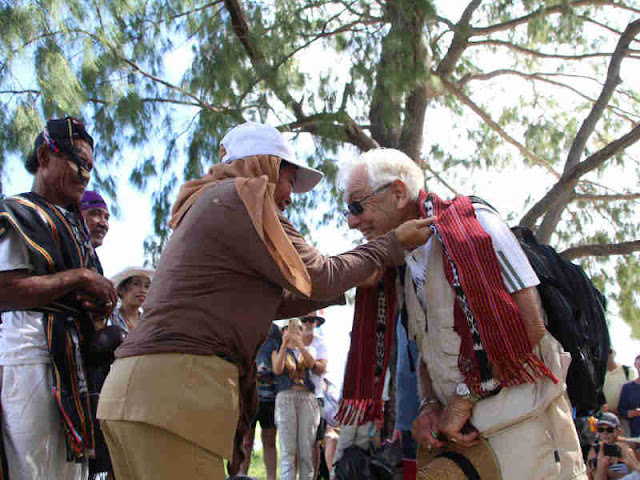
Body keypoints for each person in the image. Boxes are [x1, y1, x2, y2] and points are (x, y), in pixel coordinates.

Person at [97, 122, 434, 480]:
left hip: (132, 396)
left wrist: (345, 284)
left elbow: (271, 302)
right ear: (265, 167)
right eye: (288, 180)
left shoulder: (212, 204)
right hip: (173, 398)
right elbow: (319, 273)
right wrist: (389, 245)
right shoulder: (243, 197)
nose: (289, 197)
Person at [338, 147, 587, 480]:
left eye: (357, 206)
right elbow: (427, 354)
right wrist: (429, 405)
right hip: (467, 442)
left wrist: (463, 399)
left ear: (398, 194)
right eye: (348, 211)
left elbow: (531, 326)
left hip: (527, 432)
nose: (353, 221)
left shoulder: (476, 224)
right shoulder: (405, 267)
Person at [0, 117, 117, 479]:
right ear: (44, 156)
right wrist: (79, 278)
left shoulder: (74, 225)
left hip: (75, 359)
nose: (84, 173)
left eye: (90, 167)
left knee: (72, 468)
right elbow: (5, 289)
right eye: (76, 161)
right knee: (31, 466)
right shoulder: (16, 212)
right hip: (31, 352)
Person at [273, 318, 320, 480]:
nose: (293, 332)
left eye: (297, 329)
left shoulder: (310, 350)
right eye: (288, 328)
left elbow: (311, 363)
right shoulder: (277, 351)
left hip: (306, 398)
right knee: (287, 450)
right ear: (283, 332)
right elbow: (277, 370)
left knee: (306, 450)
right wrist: (285, 345)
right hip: (285, 397)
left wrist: (300, 345)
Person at [239, 324, 282, 480]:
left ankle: (271, 477)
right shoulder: (246, 325)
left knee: (270, 441)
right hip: (248, 394)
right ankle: (241, 475)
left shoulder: (276, 331)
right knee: (246, 440)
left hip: (270, 395)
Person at [299, 312, 329, 477]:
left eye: (312, 320)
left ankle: (314, 475)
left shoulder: (321, 344)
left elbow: (321, 369)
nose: (309, 323)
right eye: (305, 319)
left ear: (317, 323)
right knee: (297, 441)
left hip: (315, 397)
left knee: (315, 442)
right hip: (294, 397)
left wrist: (303, 355)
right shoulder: (291, 342)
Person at [109, 267, 153, 333]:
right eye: (136, 284)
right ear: (121, 289)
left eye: (146, 286)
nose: (142, 290)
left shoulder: (148, 322)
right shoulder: (109, 317)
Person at [587, 413, 631, 479]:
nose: (605, 433)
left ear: (618, 431)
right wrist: (601, 467)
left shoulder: (625, 448)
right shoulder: (594, 450)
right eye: (601, 430)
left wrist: (612, 474)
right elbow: (590, 476)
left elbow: (636, 473)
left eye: (609, 430)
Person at [604, 349, 637, 435]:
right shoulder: (598, 374)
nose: (607, 355)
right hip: (605, 421)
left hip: (625, 421)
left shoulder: (628, 371)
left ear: (614, 353)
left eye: (609, 352)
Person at [618, 355, 640, 438]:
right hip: (633, 433)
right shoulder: (628, 387)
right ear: (635, 365)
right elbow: (621, 410)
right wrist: (631, 413)